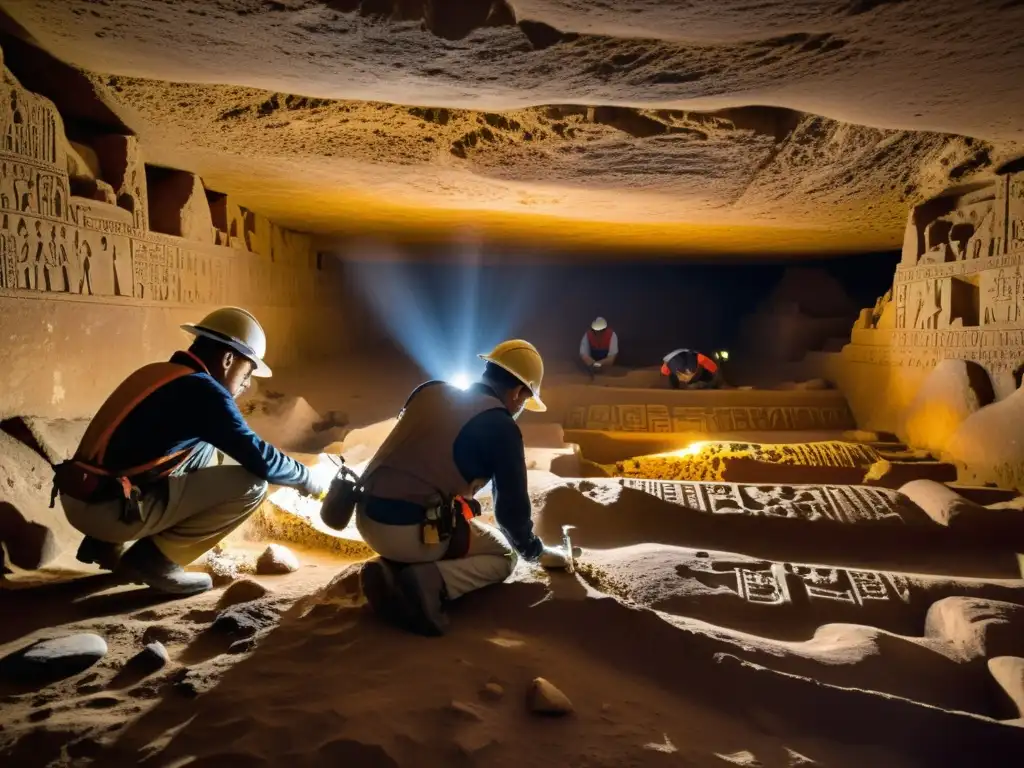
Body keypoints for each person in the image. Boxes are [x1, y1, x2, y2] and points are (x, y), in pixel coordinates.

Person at [52, 306, 326, 596]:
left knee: (207, 448)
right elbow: (261, 460)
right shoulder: (204, 392)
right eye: (247, 373)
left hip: (84, 495)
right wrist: (309, 479)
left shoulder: (162, 373)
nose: (246, 385)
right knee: (252, 487)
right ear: (229, 359)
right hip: (105, 511)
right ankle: (155, 561)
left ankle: (105, 544)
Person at [355, 339, 577, 637]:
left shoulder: (429, 390)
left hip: (365, 518)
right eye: (525, 400)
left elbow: (418, 460)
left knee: (450, 520)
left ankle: (391, 569)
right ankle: (429, 582)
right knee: (503, 554)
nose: (521, 407)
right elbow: (511, 514)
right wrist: (534, 551)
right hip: (406, 530)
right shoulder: (501, 426)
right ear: (518, 392)